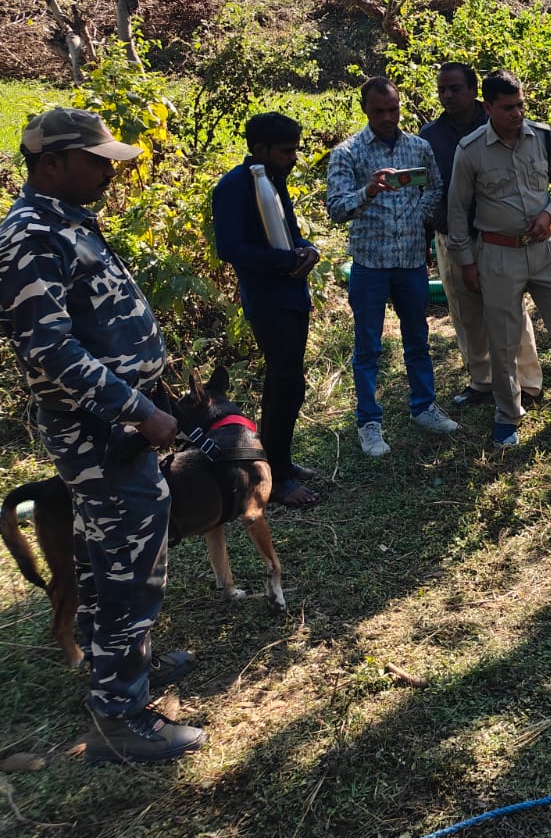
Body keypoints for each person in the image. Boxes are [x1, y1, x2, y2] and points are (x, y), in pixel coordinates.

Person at [0, 108, 206, 763]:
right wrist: (137, 410)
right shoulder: (30, 234)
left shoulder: (64, 221)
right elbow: (49, 350)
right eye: (96, 160)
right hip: (102, 431)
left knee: (102, 559)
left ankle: (121, 666)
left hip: (115, 427)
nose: (109, 170)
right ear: (52, 163)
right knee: (129, 569)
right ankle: (121, 717)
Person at [447, 69, 551, 446]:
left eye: (521, 105)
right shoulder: (470, 151)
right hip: (498, 255)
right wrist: (467, 262)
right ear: (487, 107)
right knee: (503, 341)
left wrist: (550, 213)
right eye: (507, 108)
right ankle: (508, 414)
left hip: (547, 251)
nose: (517, 113)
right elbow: (458, 211)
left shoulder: (544, 138)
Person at [326, 76, 459, 456]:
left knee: (418, 337)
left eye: (393, 109)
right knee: (368, 346)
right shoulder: (348, 153)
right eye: (379, 110)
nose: (388, 117)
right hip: (369, 264)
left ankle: (424, 407)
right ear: (364, 109)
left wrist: (421, 216)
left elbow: (435, 186)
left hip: (411, 261)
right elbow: (335, 208)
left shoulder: (418, 147)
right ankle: (369, 423)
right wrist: (367, 192)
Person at [210, 111, 322, 507]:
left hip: (292, 294)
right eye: (287, 150)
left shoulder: (273, 180)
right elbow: (230, 248)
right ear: (260, 150)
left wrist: (305, 248)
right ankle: (276, 478)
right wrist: (283, 261)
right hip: (267, 299)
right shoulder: (234, 187)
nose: (294, 157)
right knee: (284, 382)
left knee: (290, 383)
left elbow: (287, 234)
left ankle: (282, 463)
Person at [419, 62, 543, 411]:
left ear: (475, 92)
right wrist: (428, 237)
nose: (447, 95)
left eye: (455, 88)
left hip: (498, 237)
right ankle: (482, 380)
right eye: (442, 89)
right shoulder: (430, 135)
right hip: (451, 238)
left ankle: (528, 384)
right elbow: (430, 188)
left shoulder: (500, 123)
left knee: (510, 312)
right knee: (466, 312)